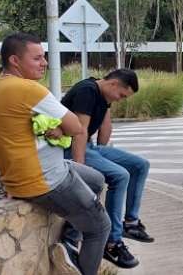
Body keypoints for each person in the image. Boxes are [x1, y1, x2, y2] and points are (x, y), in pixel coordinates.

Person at [0, 33, 111, 275]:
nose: (44, 63)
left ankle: (68, 240)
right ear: (15, 60)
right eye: (37, 58)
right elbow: (77, 127)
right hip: (47, 179)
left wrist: (53, 128)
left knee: (97, 180)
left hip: (22, 176)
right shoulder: (28, 89)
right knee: (99, 227)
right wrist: (59, 126)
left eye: (44, 57)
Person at [62, 69, 153, 269]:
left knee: (140, 165)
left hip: (91, 146)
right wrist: (80, 169)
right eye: (121, 95)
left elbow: (106, 125)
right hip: (70, 147)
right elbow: (80, 131)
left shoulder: (104, 94)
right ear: (113, 84)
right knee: (120, 176)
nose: (121, 99)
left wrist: (103, 154)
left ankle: (131, 223)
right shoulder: (87, 91)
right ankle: (112, 243)